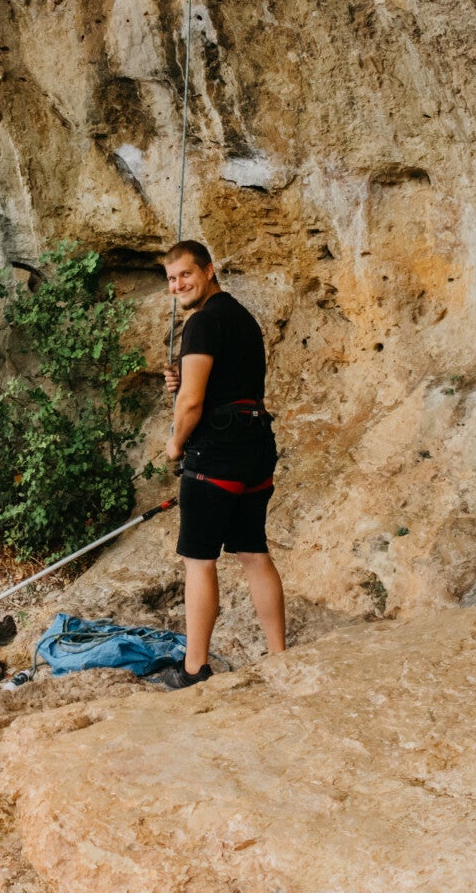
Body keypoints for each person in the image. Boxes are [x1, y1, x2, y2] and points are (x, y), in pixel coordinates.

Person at [156, 239, 286, 689]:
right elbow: (223, 382)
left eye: (186, 275)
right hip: (256, 449)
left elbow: (191, 403)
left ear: (210, 270)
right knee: (253, 552)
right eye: (171, 279)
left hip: (216, 455)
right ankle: (280, 656)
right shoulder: (242, 318)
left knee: (199, 560)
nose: (178, 285)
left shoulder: (201, 323)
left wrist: (175, 444)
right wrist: (181, 378)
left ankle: (194, 669)